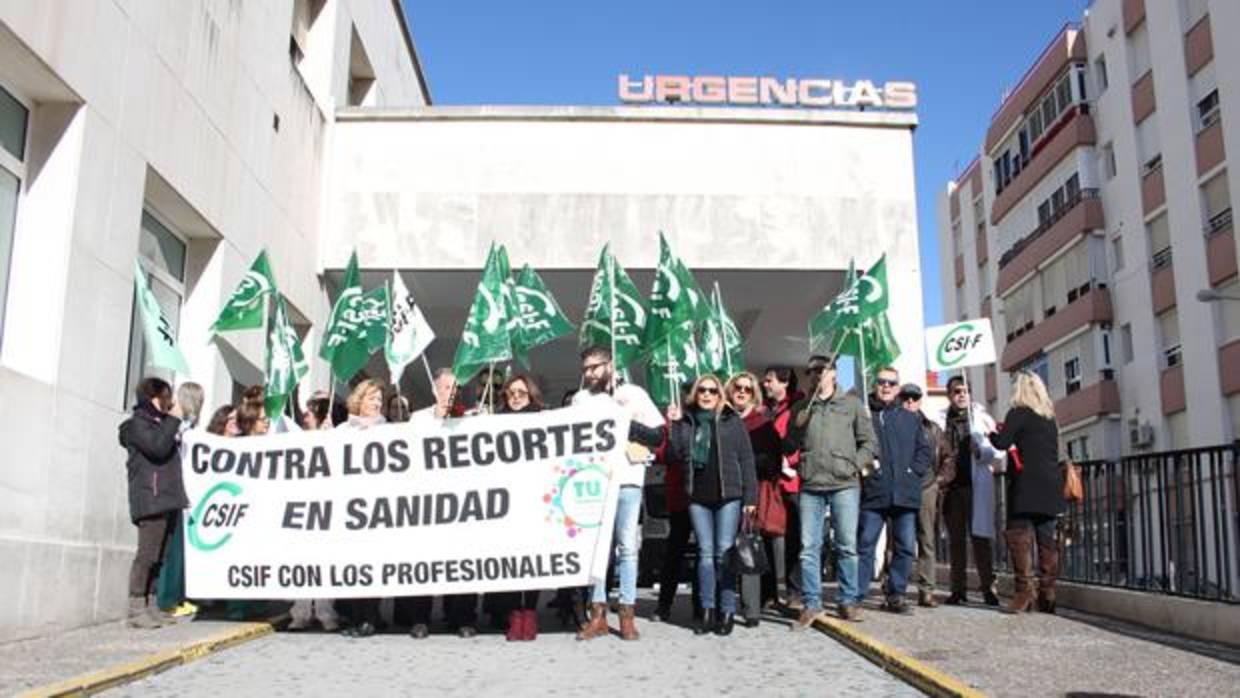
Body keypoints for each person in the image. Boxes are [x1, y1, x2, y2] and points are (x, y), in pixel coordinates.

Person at [573, 346, 665, 642]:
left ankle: (627, 612)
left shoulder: (634, 394)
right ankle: (597, 612)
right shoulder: (581, 400)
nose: (590, 373)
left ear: (610, 365)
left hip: (628, 477)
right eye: (586, 368)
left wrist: (626, 423)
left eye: (595, 367)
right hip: (596, 482)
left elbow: (658, 435)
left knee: (627, 546)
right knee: (599, 547)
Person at [782, 354, 875, 626]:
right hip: (811, 483)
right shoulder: (801, 407)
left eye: (821, 370)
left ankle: (848, 600)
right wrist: (796, 427)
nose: (816, 375)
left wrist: (853, 465)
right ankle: (812, 603)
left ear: (834, 373)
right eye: (811, 371)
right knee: (809, 547)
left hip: (844, 483)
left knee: (847, 545)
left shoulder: (851, 405)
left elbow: (868, 443)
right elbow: (789, 446)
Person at [666, 375, 758, 636]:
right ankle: (707, 610)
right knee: (705, 555)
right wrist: (673, 425)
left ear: (720, 395)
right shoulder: (687, 422)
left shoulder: (731, 421)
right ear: (695, 394)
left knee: (723, 553)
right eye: (702, 390)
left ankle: (727, 609)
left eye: (712, 391)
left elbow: (747, 460)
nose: (707, 395)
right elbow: (674, 455)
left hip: (728, 495)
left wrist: (751, 498)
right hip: (698, 497)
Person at [405, 369, 474, 639]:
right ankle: (420, 618)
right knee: (424, 562)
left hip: (461, 505)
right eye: (446, 388)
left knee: (461, 563)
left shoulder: (468, 420)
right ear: (435, 390)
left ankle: (461, 618)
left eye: (455, 388)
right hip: (426, 504)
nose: (451, 393)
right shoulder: (419, 419)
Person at [988, 371, 1063, 614]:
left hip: (1025, 483)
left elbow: (1001, 443)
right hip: (1051, 484)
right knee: (1047, 541)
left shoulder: (1018, 413)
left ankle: (1024, 592)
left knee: (1018, 536)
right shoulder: (1049, 417)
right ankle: (1048, 592)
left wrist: (991, 433)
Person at [858, 368, 929, 614]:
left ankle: (896, 594)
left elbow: (923, 450)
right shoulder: (865, 415)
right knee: (866, 543)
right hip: (875, 492)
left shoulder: (911, 418)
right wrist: (866, 471)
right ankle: (856, 593)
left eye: (891, 383)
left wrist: (914, 472)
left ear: (898, 388)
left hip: (905, 494)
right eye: (881, 382)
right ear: (875, 385)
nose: (886, 386)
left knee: (906, 546)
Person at [118, 377, 187, 629]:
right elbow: (157, 448)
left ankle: (152, 603)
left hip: (167, 497)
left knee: (161, 555)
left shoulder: (161, 424)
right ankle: (136, 609)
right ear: (153, 398)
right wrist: (174, 420)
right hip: (151, 497)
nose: (170, 403)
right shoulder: (139, 425)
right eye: (166, 397)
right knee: (147, 554)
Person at [489, 373, 547, 641]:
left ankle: (529, 615)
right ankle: (514, 615)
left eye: (520, 393)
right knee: (512, 561)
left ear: (530, 395)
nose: (515, 398)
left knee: (532, 561)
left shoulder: (544, 419)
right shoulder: (496, 420)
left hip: (535, 499)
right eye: (510, 393)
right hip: (506, 501)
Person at [939, 376, 1005, 606]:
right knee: (955, 541)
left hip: (975, 485)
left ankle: (988, 588)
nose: (961, 395)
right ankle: (958, 589)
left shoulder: (980, 417)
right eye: (956, 391)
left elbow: (999, 451)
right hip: (951, 488)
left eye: (965, 390)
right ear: (949, 394)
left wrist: (981, 451)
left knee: (981, 539)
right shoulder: (940, 420)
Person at [726, 371, 783, 627]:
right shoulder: (722, 420)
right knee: (722, 547)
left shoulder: (762, 424)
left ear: (754, 394)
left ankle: (752, 609)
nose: (741, 392)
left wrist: (748, 463)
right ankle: (721, 604)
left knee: (747, 545)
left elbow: (773, 463)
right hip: (723, 492)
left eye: (747, 389)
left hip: (751, 492)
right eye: (737, 387)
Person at [287, 396, 342, 632]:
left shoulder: (336, 439)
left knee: (325, 563)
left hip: (327, 512)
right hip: (302, 511)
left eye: (309, 413)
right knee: (301, 563)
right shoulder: (296, 440)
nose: (305, 416)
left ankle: (325, 613)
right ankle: (300, 613)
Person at [339, 379, 388, 638]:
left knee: (373, 565)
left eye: (379, 399)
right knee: (352, 566)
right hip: (349, 510)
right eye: (372, 398)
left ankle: (369, 617)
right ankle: (354, 617)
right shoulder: (342, 431)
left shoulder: (390, 431)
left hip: (378, 510)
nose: (377, 403)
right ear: (359, 400)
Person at [898, 383, 953, 608]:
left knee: (927, 539)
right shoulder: (891, 423)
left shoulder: (933, 428)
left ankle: (926, 590)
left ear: (920, 400)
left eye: (914, 398)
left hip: (926, 487)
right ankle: (895, 588)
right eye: (906, 398)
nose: (910, 402)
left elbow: (948, 457)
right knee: (900, 541)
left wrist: (938, 482)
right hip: (901, 487)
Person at [155, 383, 204, 620]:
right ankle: (167, 599)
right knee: (172, 550)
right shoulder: (178, 426)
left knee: (182, 550)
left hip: (186, 494)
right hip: (175, 491)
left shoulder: (190, 426)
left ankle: (177, 596)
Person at [760, 365, 804, 607]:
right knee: (766, 533)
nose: (765, 384)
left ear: (784, 383)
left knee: (794, 538)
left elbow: (800, 439)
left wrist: (790, 459)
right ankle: (768, 592)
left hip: (791, 482)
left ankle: (794, 590)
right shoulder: (764, 409)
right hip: (769, 481)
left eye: (769, 380)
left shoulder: (797, 407)